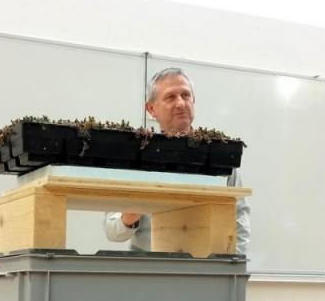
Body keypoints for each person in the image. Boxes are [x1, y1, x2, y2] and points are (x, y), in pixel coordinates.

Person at [104, 68, 250, 254]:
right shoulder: (136, 157)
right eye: (170, 97)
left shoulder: (219, 156)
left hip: (206, 267)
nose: (180, 103)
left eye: (185, 95)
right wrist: (131, 215)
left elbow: (239, 217)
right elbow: (111, 230)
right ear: (151, 109)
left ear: (194, 101)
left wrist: (234, 263)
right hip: (149, 266)